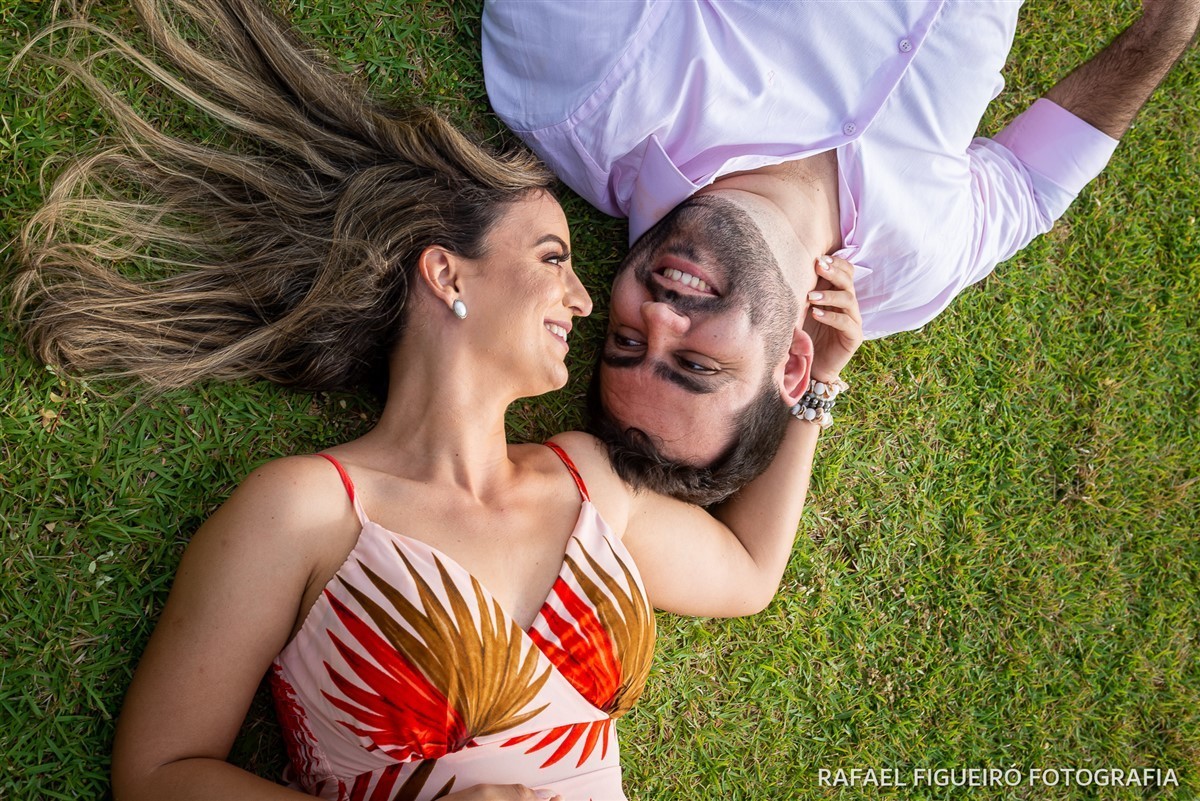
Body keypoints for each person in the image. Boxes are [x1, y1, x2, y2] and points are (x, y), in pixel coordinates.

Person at [10, 1, 862, 799]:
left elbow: (749, 573)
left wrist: (817, 383)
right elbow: (157, 771)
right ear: (447, 274)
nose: (584, 298)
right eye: (552, 256)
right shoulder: (304, 511)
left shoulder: (591, 481)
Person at [482, 0, 1200, 504]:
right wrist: (1166, 30)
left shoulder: (587, 95)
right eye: (697, 363)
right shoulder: (908, 273)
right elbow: (1030, 185)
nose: (663, 318)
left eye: (626, 338)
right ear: (794, 362)